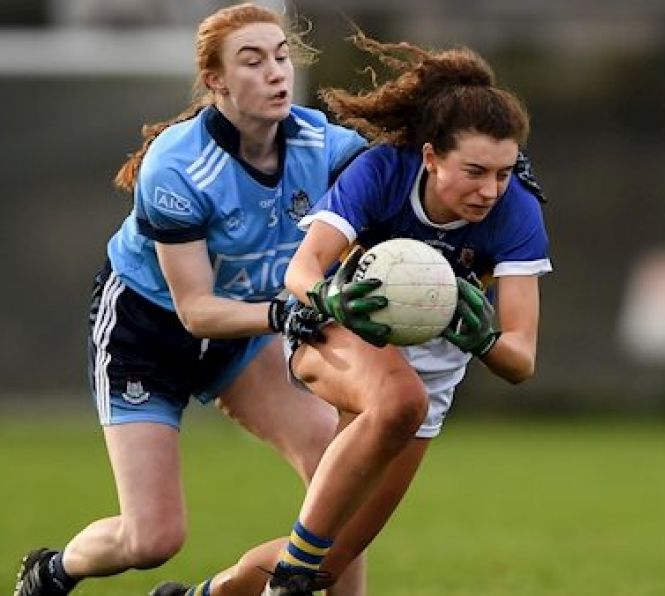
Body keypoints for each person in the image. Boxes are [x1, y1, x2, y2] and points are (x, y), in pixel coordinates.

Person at [157, 31, 552, 596]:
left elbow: (521, 359)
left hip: (432, 383)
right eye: (474, 171)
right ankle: (291, 577)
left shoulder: (516, 213)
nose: (490, 190)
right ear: (431, 156)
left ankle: (209, 593)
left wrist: (483, 338)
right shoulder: (382, 172)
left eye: (503, 173)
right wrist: (331, 298)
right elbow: (302, 270)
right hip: (337, 334)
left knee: (333, 560)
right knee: (398, 400)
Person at [12, 4, 370, 596]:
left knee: (341, 479)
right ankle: (54, 571)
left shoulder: (324, 143)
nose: (276, 72)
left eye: (281, 56)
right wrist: (282, 313)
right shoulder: (178, 166)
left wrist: (496, 177)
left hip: (244, 334)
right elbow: (197, 311)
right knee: (152, 540)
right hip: (146, 335)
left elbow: (402, 178)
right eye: (252, 61)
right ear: (216, 81)